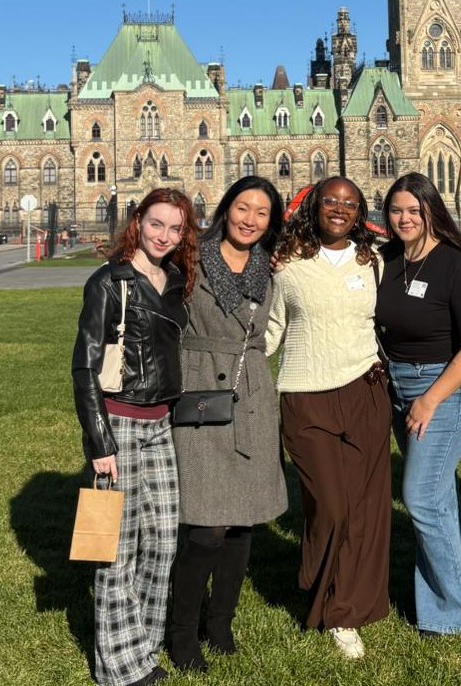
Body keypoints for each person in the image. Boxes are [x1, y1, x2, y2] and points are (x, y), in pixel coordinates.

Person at [71, 188, 198, 686]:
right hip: (119, 424)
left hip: (161, 423)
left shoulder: (174, 280)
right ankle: (118, 668)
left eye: (175, 228)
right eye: (156, 224)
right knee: (115, 549)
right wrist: (100, 443)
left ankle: (140, 647)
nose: (164, 236)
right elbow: (84, 367)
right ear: (137, 222)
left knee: (163, 542)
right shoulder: (108, 282)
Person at [265, 177, 392, 659]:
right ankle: (317, 582)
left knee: (365, 509)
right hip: (305, 395)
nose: (339, 209)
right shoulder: (287, 264)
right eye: (331, 201)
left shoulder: (374, 260)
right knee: (331, 506)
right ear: (314, 206)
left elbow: (388, 320)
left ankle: (346, 610)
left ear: (360, 212)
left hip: (364, 390)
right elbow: (273, 327)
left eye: (350, 203)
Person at [167, 176, 288, 673]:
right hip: (200, 394)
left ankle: (220, 623)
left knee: (243, 521)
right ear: (226, 208)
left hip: (252, 393)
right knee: (206, 523)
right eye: (243, 207)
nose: (250, 219)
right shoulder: (191, 259)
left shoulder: (271, 268)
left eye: (262, 212)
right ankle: (180, 632)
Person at [375, 172, 461, 637]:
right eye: (396, 210)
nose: (404, 218)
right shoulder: (389, 259)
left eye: (413, 210)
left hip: (442, 387)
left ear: (431, 211)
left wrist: (430, 399)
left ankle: (452, 613)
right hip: (398, 384)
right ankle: (452, 596)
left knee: (419, 497)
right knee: (438, 498)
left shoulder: (456, 265)